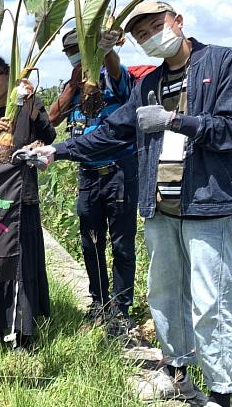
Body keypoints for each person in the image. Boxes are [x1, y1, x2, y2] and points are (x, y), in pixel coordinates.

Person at [36, 0, 232, 406]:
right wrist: (58, 151)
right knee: (164, 293)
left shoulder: (225, 63)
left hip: (209, 203)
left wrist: (175, 121)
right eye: (141, 34)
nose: (150, 36)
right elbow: (113, 130)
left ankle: (221, 391)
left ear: (178, 21)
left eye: (157, 26)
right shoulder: (149, 85)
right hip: (161, 204)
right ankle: (177, 371)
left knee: (211, 300)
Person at [47, 29, 138, 330]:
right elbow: (51, 121)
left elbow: (116, 70)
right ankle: (99, 302)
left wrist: (106, 50)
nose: (75, 54)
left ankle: (121, 308)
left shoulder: (112, 79)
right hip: (88, 174)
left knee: (122, 244)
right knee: (90, 242)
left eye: (79, 48)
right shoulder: (73, 87)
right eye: (70, 50)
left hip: (119, 171)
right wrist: (73, 85)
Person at [0, 56, 56, 350]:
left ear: (9, 77)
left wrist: (31, 109)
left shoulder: (27, 106)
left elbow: (49, 136)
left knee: (23, 262)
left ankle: (25, 330)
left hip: (23, 194)